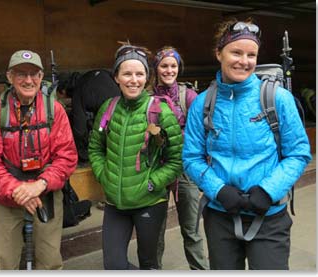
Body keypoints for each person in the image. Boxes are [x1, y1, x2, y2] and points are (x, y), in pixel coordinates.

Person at [182, 18, 312, 270]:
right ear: (219, 53)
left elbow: (298, 153)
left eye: (251, 54)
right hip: (221, 216)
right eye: (236, 52)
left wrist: (267, 191)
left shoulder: (277, 99)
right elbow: (191, 157)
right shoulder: (202, 103)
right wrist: (218, 190)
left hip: (268, 217)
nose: (244, 61)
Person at [0, 50, 78, 269]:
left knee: (50, 261)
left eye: (34, 74)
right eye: (21, 73)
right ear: (9, 77)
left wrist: (39, 186)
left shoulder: (55, 110)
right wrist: (18, 190)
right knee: (6, 262)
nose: (28, 80)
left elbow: (67, 157)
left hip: (46, 193)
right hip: (7, 195)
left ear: (42, 77)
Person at [88, 43, 183, 270]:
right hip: (115, 203)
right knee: (113, 264)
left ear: (146, 77)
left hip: (149, 201)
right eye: (127, 73)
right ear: (117, 77)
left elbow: (176, 160)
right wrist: (105, 175)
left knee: (149, 263)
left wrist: (152, 183)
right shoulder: (108, 108)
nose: (134, 80)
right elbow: (95, 148)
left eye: (139, 74)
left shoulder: (160, 111)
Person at [151, 46, 208, 270]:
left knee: (192, 229)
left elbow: (203, 132)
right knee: (155, 230)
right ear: (156, 68)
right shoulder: (148, 99)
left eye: (173, 66)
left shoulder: (189, 96)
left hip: (185, 170)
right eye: (164, 65)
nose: (169, 70)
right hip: (158, 169)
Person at [57, 69, 121, 166]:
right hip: (120, 103)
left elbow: (80, 128)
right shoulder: (96, 73)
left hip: (107, 114)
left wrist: (83, 156)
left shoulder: (78, 92)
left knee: (101, 131)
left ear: (64, 90)